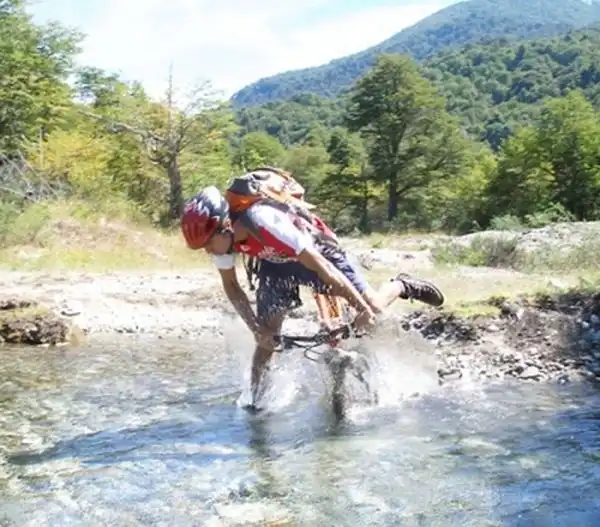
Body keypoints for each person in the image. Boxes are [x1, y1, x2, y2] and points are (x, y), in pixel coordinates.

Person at [180, 182, 445, 409]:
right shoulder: (222, 244)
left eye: (208, 244)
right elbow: (232, 287)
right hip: (274, 265)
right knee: (265, 341)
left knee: (373, 309)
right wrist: (257, 330)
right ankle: (256, 405)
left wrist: (362, 308)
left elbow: (323, 268)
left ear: (225, 226)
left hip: (318, 254)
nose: (208, 252)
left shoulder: (262, 220)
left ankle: (402, 285)